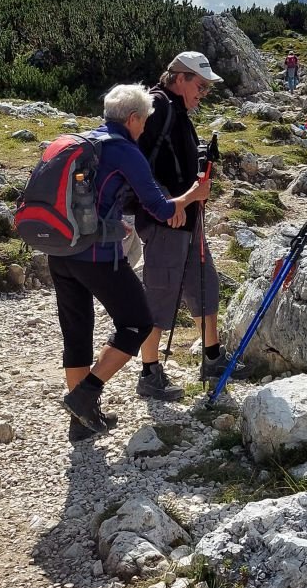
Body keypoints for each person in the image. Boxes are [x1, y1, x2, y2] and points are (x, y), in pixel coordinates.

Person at [55, 84, 210, 442]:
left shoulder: (83, 142)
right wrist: (194, 194)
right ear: (133, 118)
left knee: (77, 333)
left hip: (61, 252)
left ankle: (81, 423)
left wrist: (114, 221)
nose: (144, 128)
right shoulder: (125, 149)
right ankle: (85, 395)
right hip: (97, 256)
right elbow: (161, 208)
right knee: (138, 323)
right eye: (144, 121)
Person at [136, 52, 227, 401]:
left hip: (188, 218)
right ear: (179, 78)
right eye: (200, 86)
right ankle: (149, 373)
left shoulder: (178, 111)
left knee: (205, 283)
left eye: (207, 88)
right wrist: (168, 202)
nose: (203, 93)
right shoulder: (157, 106)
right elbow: (139, 164)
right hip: (167, 219)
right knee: (160, 294)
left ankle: (213, 358)